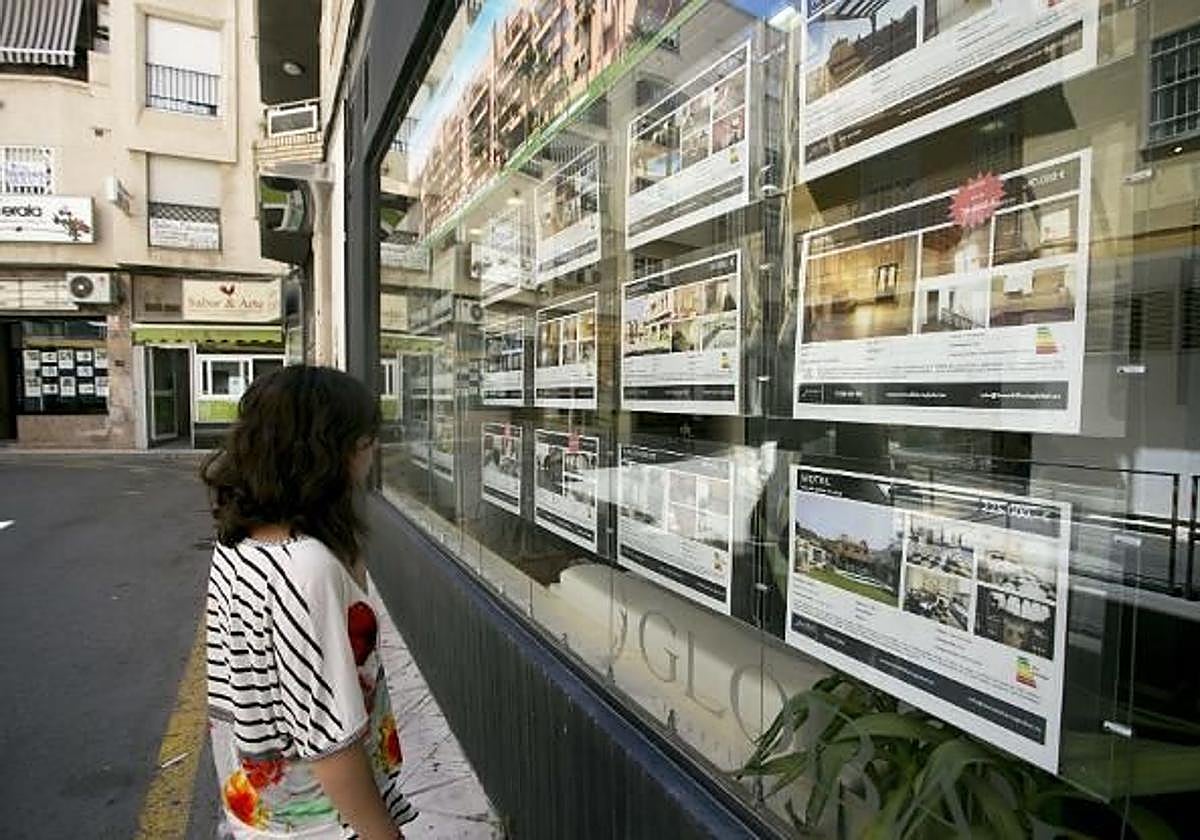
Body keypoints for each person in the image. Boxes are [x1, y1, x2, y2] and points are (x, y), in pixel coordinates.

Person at [201, 365, 417, 839]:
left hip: (261, 806)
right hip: (320, 821)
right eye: (365, 440)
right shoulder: (307, 568)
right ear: (331, 452)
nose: (373, 452)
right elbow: (330, 743)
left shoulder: (238, 539)